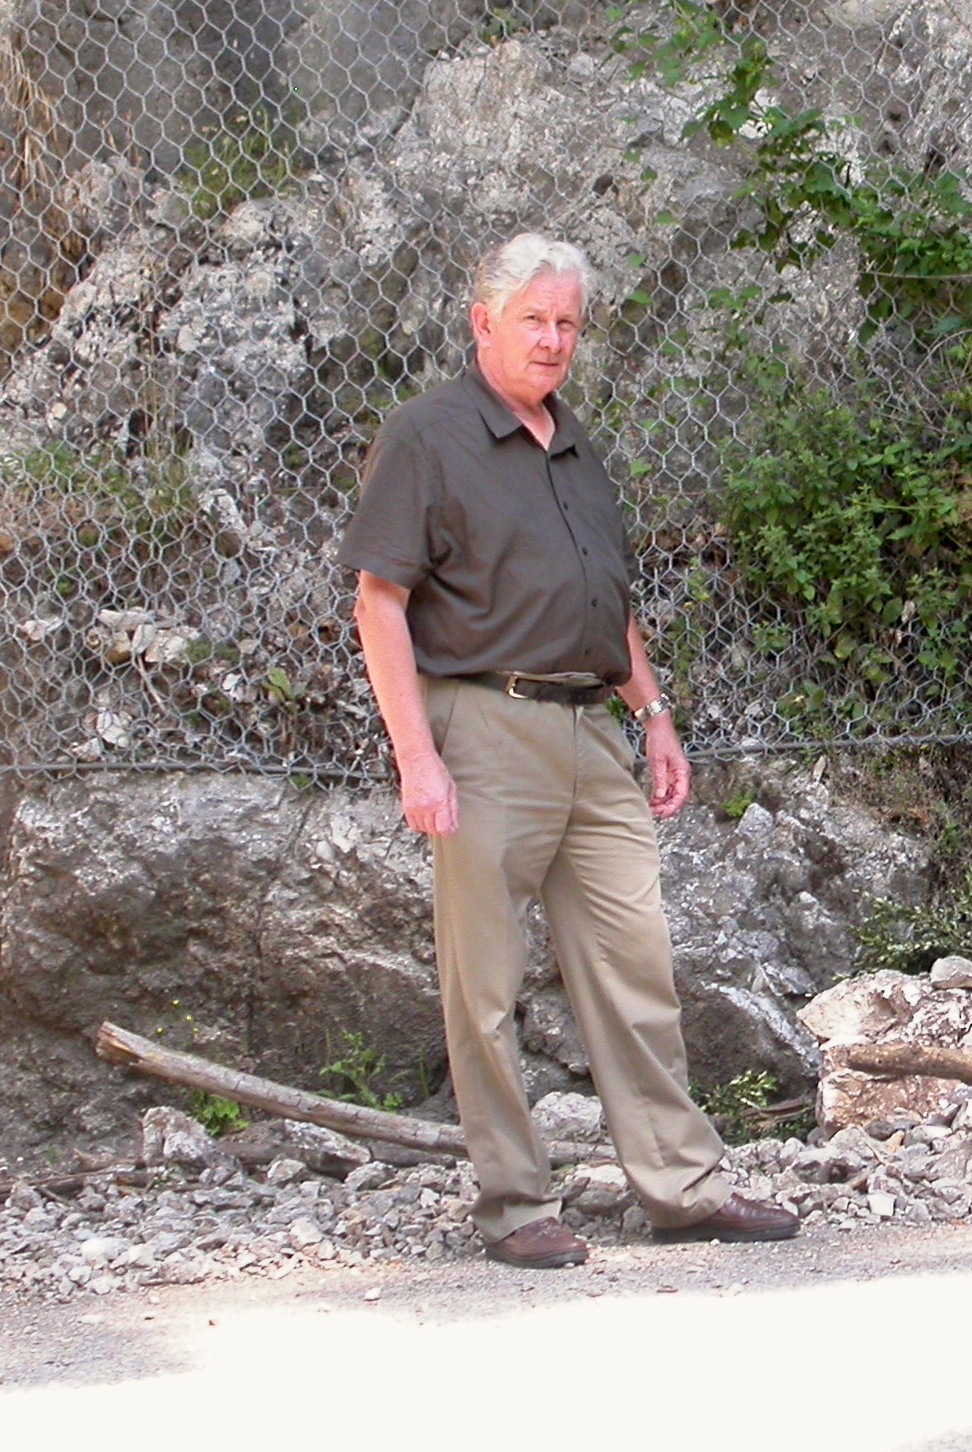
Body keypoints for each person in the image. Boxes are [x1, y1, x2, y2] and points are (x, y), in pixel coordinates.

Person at [339, 232, 798, 1266]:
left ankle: (679, 1187)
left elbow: (604, 601)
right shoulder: (429, 436)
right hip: (483, 724)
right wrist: (417, 757)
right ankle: (514, 1206)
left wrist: (653, 713)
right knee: (486, 980)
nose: (551, 341)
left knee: (636, 961)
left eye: (567, 324)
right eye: (534, 320)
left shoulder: (572, 444)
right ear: (482, 323)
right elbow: (379, 603)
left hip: (592, 728)